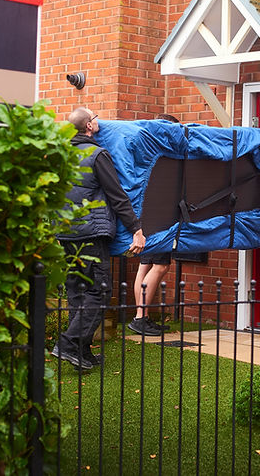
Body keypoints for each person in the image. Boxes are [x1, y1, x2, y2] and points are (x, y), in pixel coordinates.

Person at [52, 107, 146, 370]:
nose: (98, 121)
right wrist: (136, 228)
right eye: (95, 118)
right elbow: (117, 195)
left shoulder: (61, 156)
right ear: (89, 126)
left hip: (66, 233)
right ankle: (69, 344)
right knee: (100, 291)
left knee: (78, 292)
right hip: (92, 233)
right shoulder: (97, 155)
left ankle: (82, 353)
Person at [129, 113, 179, 336]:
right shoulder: (165, 151)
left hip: (145, 213)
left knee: (145, 265)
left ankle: (141, 316)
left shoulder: (147, 147)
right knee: (160, 266)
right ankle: (140, 318)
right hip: (160, 216)